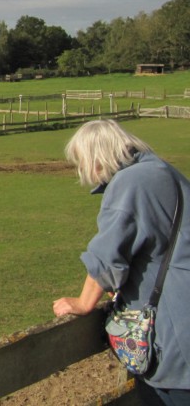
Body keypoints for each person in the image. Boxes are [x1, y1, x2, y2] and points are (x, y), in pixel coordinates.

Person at [53, 119, 190, 405]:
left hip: (177, 337)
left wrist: (83, 303)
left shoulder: (131, 182)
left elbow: (107, 255)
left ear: (96, 157)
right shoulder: (164, 171)